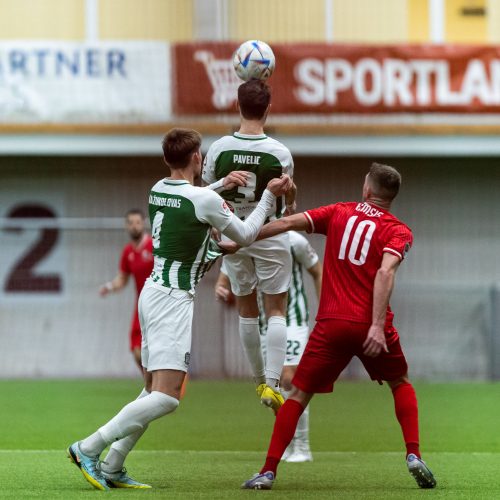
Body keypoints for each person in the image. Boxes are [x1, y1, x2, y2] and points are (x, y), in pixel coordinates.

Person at [67, 128, 292, 491]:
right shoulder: (202, 200)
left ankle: (112, 465)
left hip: (154, 292)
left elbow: (191, 201)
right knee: (168, 397)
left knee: (150, 390)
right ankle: (88, 447)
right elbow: (246, 234)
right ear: (195, 158)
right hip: (172, 298)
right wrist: (267, 196)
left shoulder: (158, 188)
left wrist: (220, 184)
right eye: (200, 153)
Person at [242, 163, 437, 490]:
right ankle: (413, 455)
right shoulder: (398, 230)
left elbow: (288, 222)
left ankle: (268, 471)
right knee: (400, 382)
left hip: (332, 323)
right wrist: (376, 326)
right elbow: (386, 272)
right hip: (370, 325)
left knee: (298, 395)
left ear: (367, 189)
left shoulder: (339, 212)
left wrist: (242, 237)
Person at [203, 78, 296, 414]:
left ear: (236, 106)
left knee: (247, 309)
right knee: (276, 310)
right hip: (269, 233)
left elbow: (205, 194)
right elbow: (286, 204)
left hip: (233, 233)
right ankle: (272, 384)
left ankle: (258, 380)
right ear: (268, 109)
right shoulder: (280, 153)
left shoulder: (218, 149)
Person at [215, 231, 322, 462]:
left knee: (288, 378)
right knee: (271, 388)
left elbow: (317, 270)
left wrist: (324, 311)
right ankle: (288, 442)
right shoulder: (239, 240)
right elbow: (223, 280)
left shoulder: (294, 241)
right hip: (261, 324)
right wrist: (222, 290)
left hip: (291, 319)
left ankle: (303, 446)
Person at [99, 209, 153, 370]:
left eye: (137, 222)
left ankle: (162, 386)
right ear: (126, 226)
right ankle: (150, 387)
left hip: (158, 304)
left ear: (143, 223)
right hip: (140, 306)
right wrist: (109, 286)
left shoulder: (154, 246)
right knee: (137, 351)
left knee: (157, 350)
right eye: (130, 223)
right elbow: (122, 278)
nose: (134, 226)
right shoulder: (128, 252)